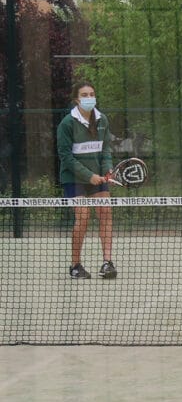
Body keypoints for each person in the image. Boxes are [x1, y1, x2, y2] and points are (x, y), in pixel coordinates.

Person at [56, 82, 116, 279]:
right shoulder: (66, 124)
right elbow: (66, 157)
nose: (89, 97)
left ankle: (107, 263)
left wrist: (107, 167)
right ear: (76, 99)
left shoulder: (102, 120)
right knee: (82, 217)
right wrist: (89, 176)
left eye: (92, 93)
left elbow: (105, 149)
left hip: (98, 175)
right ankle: (75, 265)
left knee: (105, 212)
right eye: (84, 94)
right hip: (73, 178)